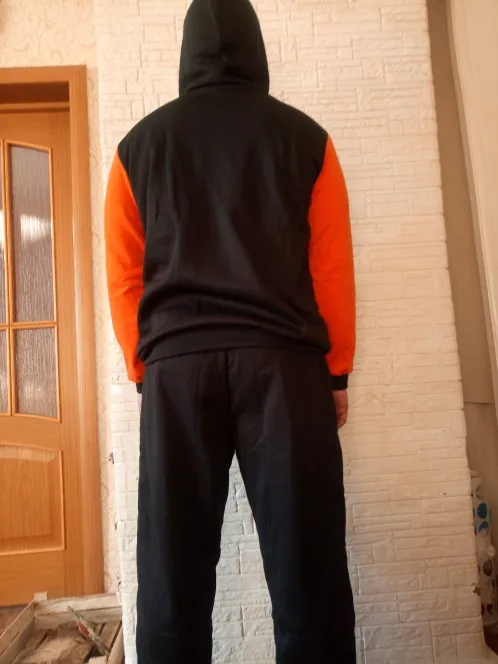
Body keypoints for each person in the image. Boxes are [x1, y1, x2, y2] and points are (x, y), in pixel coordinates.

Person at [104, 0, 356, 661]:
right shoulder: (308, 140)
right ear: (256, 47)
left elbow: (124, 275)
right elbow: (330, 269)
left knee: (172, 577)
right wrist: (336, 373)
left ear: (187, 51)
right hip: (286, 370)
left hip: (177, 372)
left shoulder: (138, 148)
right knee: (309, 575)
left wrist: (144, 371)